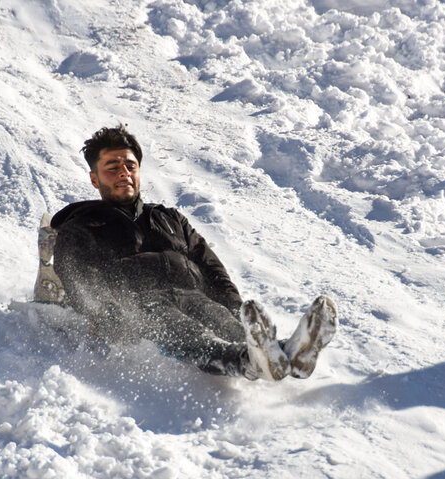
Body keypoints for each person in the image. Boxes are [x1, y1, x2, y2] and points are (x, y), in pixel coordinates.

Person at [50, 124, 337, 381]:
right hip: (143, 307)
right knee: (194, 336)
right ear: (94, 179)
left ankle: (289, 355)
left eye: (130, 165)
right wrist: (113, 319)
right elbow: (83, 282)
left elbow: (211, 267)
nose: (123, 172)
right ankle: (250, 363)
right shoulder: (81, 226)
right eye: (112, 167)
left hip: (193, 295)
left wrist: (236, 309)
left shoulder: (170, 218)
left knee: (228, 326)